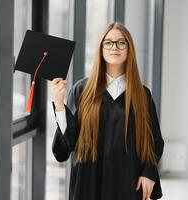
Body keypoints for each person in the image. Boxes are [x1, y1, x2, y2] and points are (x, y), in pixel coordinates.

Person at [51, 22, 164, 200]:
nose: (114, 47)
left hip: (127, 180)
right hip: (88, 182)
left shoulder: (141, 94)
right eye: (108, 42)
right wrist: (59, 105)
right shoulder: (82, 90)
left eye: (121, 42)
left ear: (129, 49)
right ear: (101, 49)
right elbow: (66, 145)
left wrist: (149, 172)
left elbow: (154, 141)